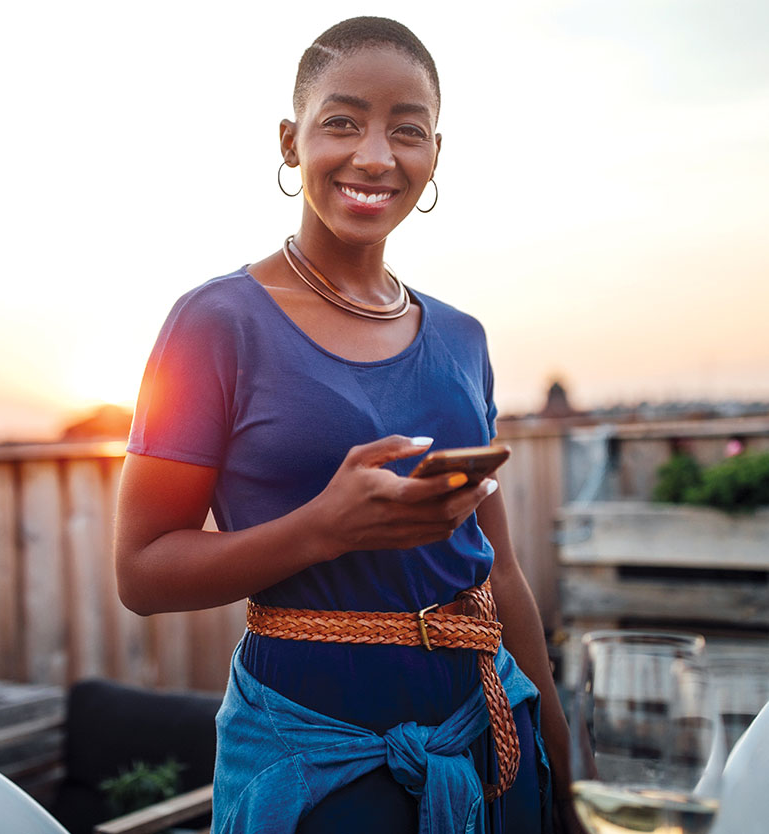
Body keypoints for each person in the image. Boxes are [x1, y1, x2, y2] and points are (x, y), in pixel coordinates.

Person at [115, 16, 577, 834]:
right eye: (343, 122)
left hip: (489, 737)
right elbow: (143, 571)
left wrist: (560, 765)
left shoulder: (462, 337)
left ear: (435, 155)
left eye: (408, 131)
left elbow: (499, 570)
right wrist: (325, 529)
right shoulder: (216, 322)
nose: (375, 155)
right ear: (291, 142)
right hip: (319, 760)